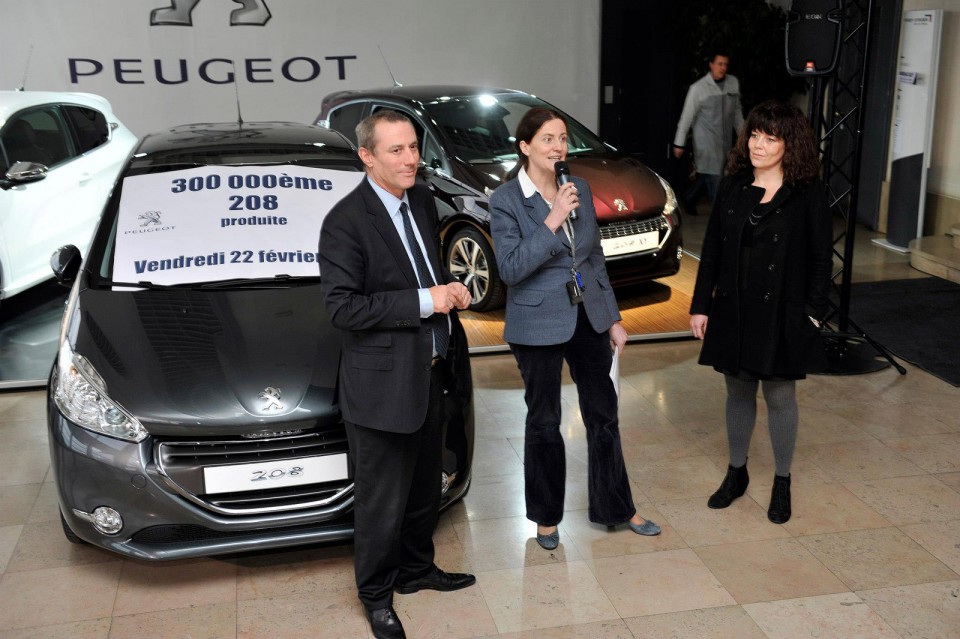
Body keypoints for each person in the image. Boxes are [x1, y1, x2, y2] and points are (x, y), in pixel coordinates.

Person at [318, 109, 476, 639]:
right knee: (382, 502)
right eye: (397, 150)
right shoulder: (344, 221)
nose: (411, 159)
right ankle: (377, 596)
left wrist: (447, 289)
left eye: (413, 148)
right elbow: (343, 309)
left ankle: (416, 570)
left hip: (431, 372)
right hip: (381, 386)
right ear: (367, 156)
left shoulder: (423, 201)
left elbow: (423, 272)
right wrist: (423, 301)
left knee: (422, 490)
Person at [489, 107, 661, 551]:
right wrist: (551, 219)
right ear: (525, 147)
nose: (558, 147)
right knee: (544, 421)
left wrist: (613, 317)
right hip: (536, 320)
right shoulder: (506, 200)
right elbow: (510, 269)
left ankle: (616, 507)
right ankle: (546, 519)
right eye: (547, 139)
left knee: (604, 415)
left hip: (587, 316)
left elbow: (593, 259)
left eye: (562, 138)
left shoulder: (578, 187)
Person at [689, 100, 833, 525]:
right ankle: (737, 472)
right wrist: (701, 305)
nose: (759, 144)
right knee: (737, 391)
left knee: (780, 394)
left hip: (783, 310)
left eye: (771, 138)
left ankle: (782, 480)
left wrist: (812, 314)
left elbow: (822, 258)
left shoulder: (806, 193)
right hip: (735, 306)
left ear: (790, 145)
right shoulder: (734, 186)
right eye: (755, 134)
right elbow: (712, 249)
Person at [672, 53, 745, 210]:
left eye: (725, 64)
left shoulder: (733, 83)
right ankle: (717, 217)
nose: (723, 67)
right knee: (716, 179)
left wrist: (743, 136)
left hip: (725, 141)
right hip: (706, 143)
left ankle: (689, 197)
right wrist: (679, 143)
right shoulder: (698, 89)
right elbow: (686, 117)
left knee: (709, 174)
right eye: (719, 64)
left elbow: (737, 113)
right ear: (711, 65)